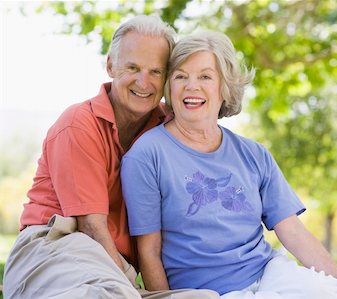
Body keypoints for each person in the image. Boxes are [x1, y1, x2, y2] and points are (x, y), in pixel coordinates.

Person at [121, 30, 337, 299]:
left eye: (205, 77)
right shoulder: (147, 155)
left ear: (225, 87)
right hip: (206, 291)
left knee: (325, 291)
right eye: (180, 76)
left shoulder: (252, 153)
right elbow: (149, 251)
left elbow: (291, 229)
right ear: (169, 88)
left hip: (268, 274)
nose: (191, 86)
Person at [3, 14, 219, 299]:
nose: (144, 82)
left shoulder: (169, 127)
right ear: (110, 66)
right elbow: (92, 227)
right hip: (54, 249)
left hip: (111, 270)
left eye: (156, 71)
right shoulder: (79, 124)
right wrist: (128, 284)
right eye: (133, 67)